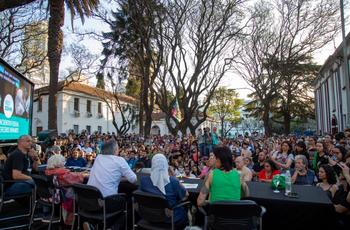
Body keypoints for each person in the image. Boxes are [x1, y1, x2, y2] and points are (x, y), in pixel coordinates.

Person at [140, 154, 189, 228]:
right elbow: (185, 196)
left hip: (149, 217)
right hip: (171, 219)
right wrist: (174, 176)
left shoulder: (144, 180)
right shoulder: (172, 181)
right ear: (166, 165)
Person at [45, 154, 86, 225]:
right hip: (66, 196)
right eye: (63, 162)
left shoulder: (49, 171)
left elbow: (72, 175)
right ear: (59, 163)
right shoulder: (61, 173)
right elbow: (74, 178)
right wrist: (84, 174)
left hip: (54, 195)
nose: (64, 163)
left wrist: (80, 174)